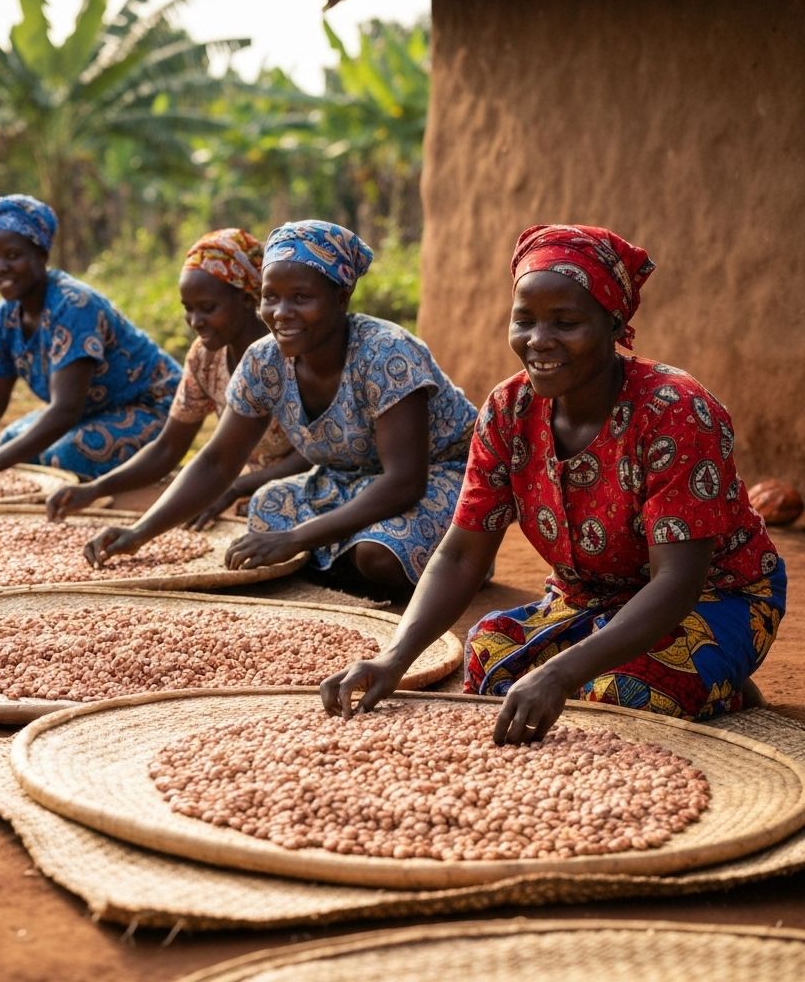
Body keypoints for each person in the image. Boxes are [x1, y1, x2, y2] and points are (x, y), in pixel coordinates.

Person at [321, 223, 786, 743]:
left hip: (714, 598)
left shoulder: (675, 412)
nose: (539, 341)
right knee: (490, 656)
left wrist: (562, 672)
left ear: (613, 325)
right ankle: (698, 680)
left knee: (620, 697)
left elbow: (677, 582)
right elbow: (460, 555)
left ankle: (727, 681)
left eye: (565, 322)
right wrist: (395, 657)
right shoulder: (508, 409)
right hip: (590, 599)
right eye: (524, 320)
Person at [82, 218, 478, 597]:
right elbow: (218, 461)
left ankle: (462, 563)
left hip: (442, 477)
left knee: (378, 557)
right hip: (350, 480)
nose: (281, 313)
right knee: (266, 507)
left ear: (341, 298)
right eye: (271, 297)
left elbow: (405, 482)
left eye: (301, 298)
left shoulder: (387, 353)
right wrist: (140, 531)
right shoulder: (265, 361)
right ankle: (341, 558)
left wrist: (295, 539)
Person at [0, 194, 181, 493]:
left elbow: (65, 410)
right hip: (93, 411)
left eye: (13, 255)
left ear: (41, 255)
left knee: (61, 457)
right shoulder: (4, 317)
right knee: (9, 442)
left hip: (153, 407)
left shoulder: (74, 306)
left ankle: (143, 477)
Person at [45, 228, 308, 526]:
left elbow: (313, 456)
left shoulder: (291, 352)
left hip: (301, 481)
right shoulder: (204, 357)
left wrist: (234, 489)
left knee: (265, 517)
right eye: (188, 309)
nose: (196, 322)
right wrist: (95, 489)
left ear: (248, 299)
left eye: (208, 308)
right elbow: (169, 447)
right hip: (244, 481)